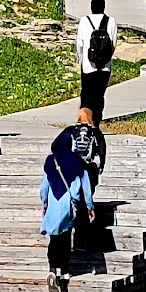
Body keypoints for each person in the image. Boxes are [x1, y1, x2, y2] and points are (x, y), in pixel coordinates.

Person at [38, 140, 93, 292]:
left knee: (54, 238)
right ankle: (64, 272)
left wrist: (45, 204)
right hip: (68, 205)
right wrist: (89, 205)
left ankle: (53, 269)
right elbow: (86, 183)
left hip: (53, 205)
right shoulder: (76, 160)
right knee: (66, 237)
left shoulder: (50, 161)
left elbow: (44, 187)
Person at [51, 106, 107, 250]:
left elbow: (54, 146)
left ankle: (67, 238)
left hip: (72, 172)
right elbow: (102, 153)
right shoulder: (96, 133)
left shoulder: (70, 131)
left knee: (73, 204)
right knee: (85, 204)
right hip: (90, 172)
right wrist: (99, 171)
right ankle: (83, 241)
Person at [76, 0, 117, 123]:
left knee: (86, 95)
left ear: (91, 7)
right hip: (105, 67)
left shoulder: (84, 21)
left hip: (88, 66)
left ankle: (85, 122)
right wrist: (105, 59)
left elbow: (79, 45)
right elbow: (113, 44)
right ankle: (97, 122)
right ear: (104, 7)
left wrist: (80, 61)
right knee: (99, 96)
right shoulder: (111, 21)